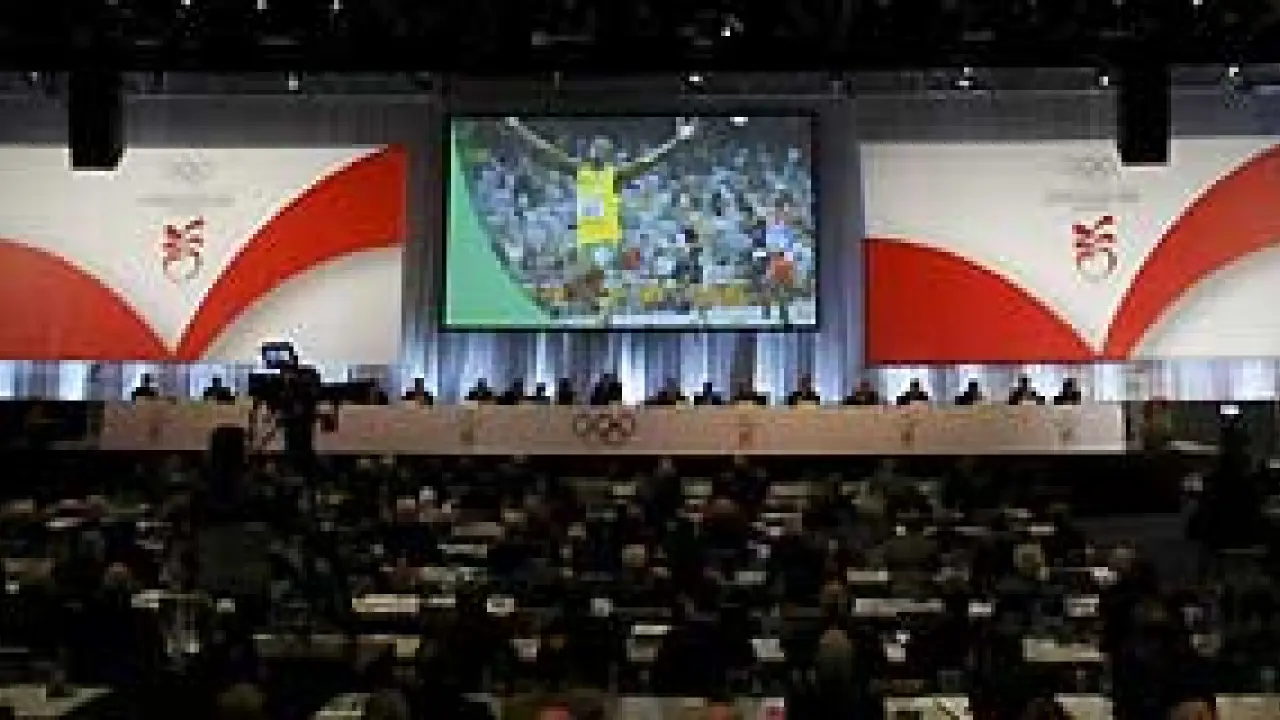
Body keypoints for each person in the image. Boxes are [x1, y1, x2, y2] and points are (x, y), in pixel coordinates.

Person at [503, 117, 698, 322]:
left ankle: (604, 313)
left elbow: (648, 162)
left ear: (608, 155)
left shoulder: (614, 176)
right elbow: (547, 151)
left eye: (601, 148)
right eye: (594, 147)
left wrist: (677, 141)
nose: (595, 150)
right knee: (576, 281)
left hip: (606, 239)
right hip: (585, 240)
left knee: (597, 277)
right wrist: (518, 128)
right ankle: (600, 310)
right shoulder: (581, 171)